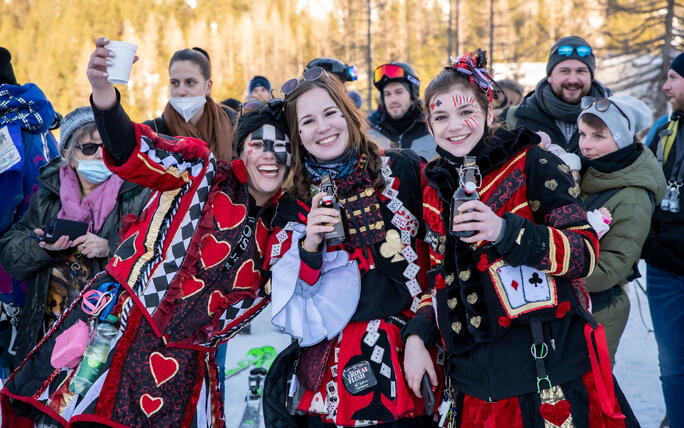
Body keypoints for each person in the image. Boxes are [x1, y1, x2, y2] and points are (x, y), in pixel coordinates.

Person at [0, 37, 291, 426]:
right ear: (242, 149)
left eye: (282, 145)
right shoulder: (201, 171)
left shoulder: (287, 223)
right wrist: (104, 93)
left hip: (183, 369)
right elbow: (135, 149)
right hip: (116, 332)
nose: (269, 155)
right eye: (259, 143)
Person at [402, 50, 639, 427]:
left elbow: (583, 255)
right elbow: (436, 278)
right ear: (429, 126)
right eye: (441, 117)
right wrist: (417, 336)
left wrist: (505, 231)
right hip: (474, 386)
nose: (454, 126)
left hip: (546, 375)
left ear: (488, 113)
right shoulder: (434, 189)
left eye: (466, 113)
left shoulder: (531, 162)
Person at [263, 66, 436, 427]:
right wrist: (309, 244)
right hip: (328, 375)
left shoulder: (404, 170)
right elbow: (288, 300)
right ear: (296, 135)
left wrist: (423, 333)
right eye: (308, 121)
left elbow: (444, 257)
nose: (323, 128)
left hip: (410, 354)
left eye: (330, 113)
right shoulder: (291, 202)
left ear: (348, 113)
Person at [0, 106, 152, 368]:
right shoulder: (47, 195)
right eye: (90, 148)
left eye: (107, 148)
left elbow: (152, 251)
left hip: (108, 336)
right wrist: (42, 247)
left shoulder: (136, 193)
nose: (100, 156)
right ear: (68, 155)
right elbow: (9, 254)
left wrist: (110, 247)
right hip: (47, 335)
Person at [577, 95, 666, 366]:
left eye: (598, 136)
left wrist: (547, 269)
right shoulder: (588, 173)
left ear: (623, 138)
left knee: (589, 396)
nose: (586, 144)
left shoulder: (632, 198)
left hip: (599, 311)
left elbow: (609, 270)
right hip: (577, 305)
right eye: (582, 134)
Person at [0, 46, 60, 375]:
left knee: (14, 366)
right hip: (43, 252)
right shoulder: (34, 119)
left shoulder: (5, 128)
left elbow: (5, 199)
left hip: (11, 266)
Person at [642, 52, 684, 428]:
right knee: (672, 362)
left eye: (673, 78)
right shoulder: (663, 129)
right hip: (664, 271)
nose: (665, 86)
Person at [503, 36, 612, 154]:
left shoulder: (612, 116)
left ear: (591, 76)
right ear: (549, 76)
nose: (573, 80)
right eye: (564, 71)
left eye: (581, 71)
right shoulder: (513, 119)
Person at [144, 47, 235, 162]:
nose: (181, 91)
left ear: (208, 87)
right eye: (175, 83)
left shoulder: (232, 124)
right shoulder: (154, 132)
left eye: (190, 82)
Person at [368, 62, 437, 160]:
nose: (393, 99)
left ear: (413, 94)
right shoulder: (370, 133)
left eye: (399, 92)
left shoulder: (433, 128)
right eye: (387, 94)